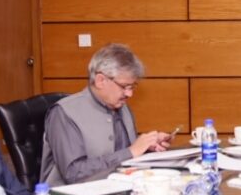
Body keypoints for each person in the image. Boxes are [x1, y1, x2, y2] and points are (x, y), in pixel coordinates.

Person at [40, 43, 171, 185]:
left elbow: (125, 155)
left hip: (116, 189)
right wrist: (131, 151)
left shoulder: (123, 107)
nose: (129, 94)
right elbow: (74, 173)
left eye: (132, 87)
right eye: (124, 87)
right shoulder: (63, 113)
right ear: (100, 80)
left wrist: (147, 147)